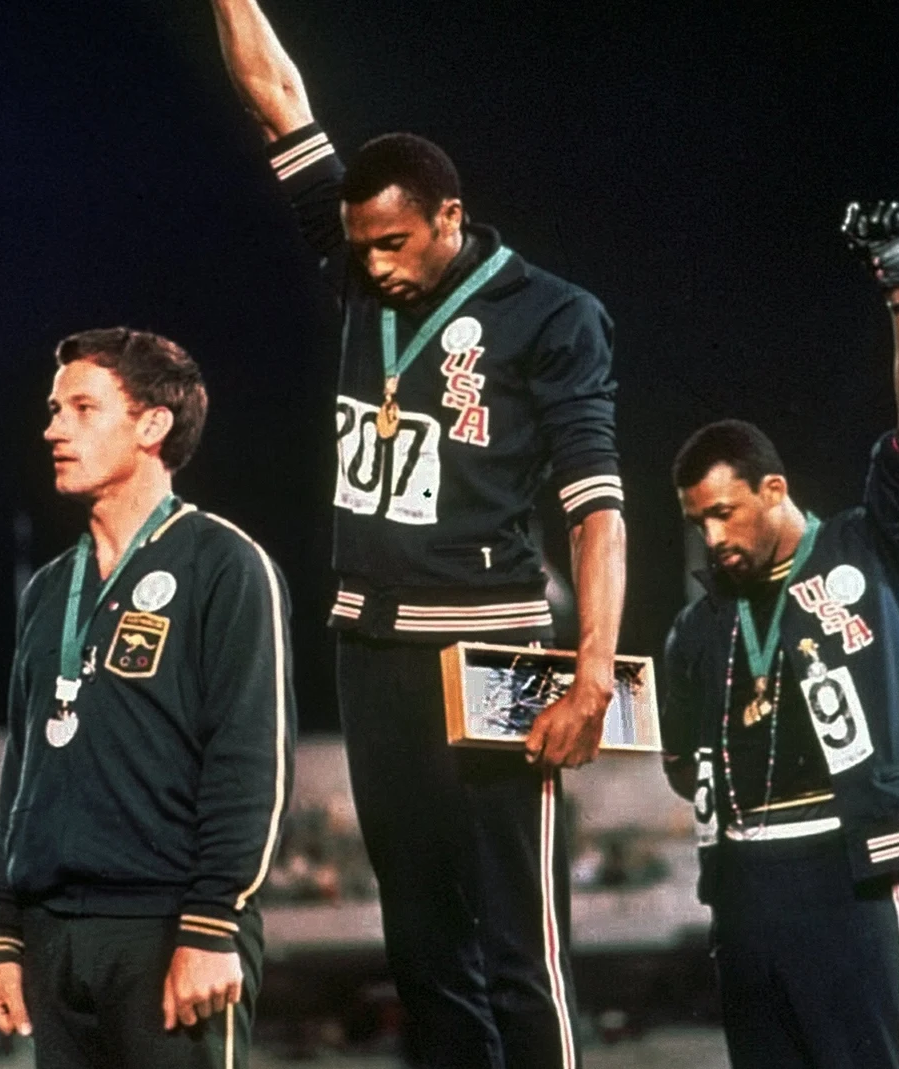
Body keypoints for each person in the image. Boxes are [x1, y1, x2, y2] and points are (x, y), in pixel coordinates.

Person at [210, 3, 628, 1067]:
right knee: (424, 947)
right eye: (362, 246)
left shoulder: (552, 315)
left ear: (449, 215)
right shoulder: (355, 264)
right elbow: (277, 101)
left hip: (497, 648)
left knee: (520, 945)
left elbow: (597, 510)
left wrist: (587, 680)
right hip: (370, 647)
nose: (377, 266)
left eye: (395, 241)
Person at [660, 201, 899, 1069]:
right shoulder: (696, 625)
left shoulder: (866, 546)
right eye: (696, 520)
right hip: (743, 889)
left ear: (774, 489)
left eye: (724, 512)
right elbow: (682, 763)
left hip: (847, 870)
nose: (711, 536)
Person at [0, 327, 297, 1069]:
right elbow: (22, 770)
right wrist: (4, 935)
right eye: (55, 410)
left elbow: (251, 761)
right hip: (54, 941)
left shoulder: (226, 564)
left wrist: (212, 924)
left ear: (152, 425)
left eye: (82, 408)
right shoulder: (51, 587)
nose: (53, 428)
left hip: (168, 930)